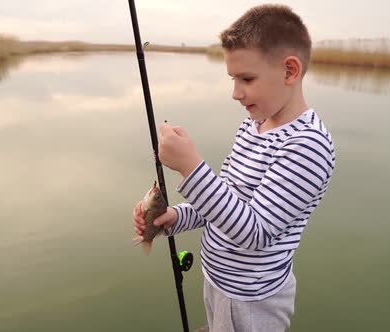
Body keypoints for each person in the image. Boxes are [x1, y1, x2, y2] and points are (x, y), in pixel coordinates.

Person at [132, 4, 335, 331]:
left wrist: (191, 167)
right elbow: (227, 201)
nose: (235, 93)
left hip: (252, 301)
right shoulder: (253, 125)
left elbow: (254, 232)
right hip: (218, 282)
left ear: (289, 71)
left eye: (247, 79)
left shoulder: (307, 146)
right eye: (232, 78)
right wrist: (177, 216)